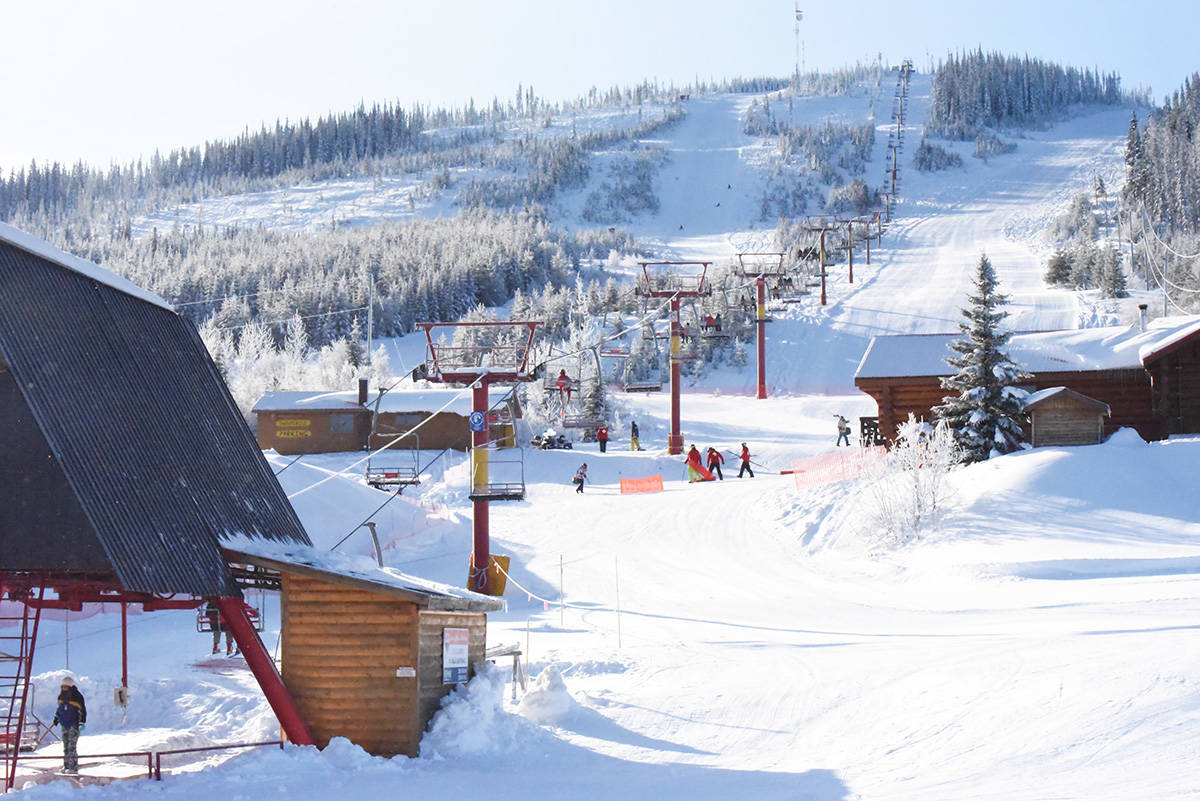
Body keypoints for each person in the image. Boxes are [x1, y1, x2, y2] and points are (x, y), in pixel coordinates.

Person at [52, 675, 86, 774]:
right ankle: (66, 765)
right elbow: (60, 709)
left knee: (72, 746)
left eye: (66, 686)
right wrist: (56, 717)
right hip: (64, 724)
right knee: (66, 746)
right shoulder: (61, 696)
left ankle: (73, 767)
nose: (64, 688)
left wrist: (82, 722)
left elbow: (82, 710)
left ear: (70, 686)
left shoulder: (77, 696)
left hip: (73, 725)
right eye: (63, 686)